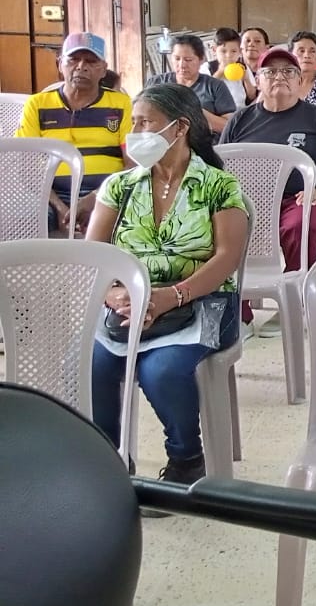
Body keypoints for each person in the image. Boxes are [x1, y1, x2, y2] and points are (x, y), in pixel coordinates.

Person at [86, 83, 248, 485]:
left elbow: (227, 258)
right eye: (134, 122)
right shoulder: (121, 186)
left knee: (161, 371)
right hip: (130, 303)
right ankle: (108, 460)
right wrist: (116, 294)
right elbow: (94, 255)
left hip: (204, 299)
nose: (135, 132)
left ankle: (186, 458)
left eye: (146, 122)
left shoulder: (218, 186)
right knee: (94, 362)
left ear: (180, 128)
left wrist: (170, 296)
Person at [219, 46, 316, 277]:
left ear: (299, 81)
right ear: (258, 82)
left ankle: (298, 287)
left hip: (298, 200)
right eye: (270, 72)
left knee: (303, 224)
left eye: (288, 71)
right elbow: (219, 167)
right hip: (247, 201)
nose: (279, 77)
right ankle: (234, 294)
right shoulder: (240, 120)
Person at [16, 32, 132, 234]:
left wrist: (96, 197)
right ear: (60, 65)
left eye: (91, 61)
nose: (81, 67)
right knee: (25, 225)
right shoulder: (37, 104)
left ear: (104, 69)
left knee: (128, 221)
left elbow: (133, 164)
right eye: (73, 59)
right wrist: (60, 208)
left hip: (107, 193)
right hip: (50, 196)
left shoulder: (121, 104)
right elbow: (26, 168)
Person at [148, 33, 237, 137]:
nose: (182, 65)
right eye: (177, 59)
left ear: (201, 59)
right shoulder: (156, 83)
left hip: (205, 142)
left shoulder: (215, 86)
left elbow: (229, 127)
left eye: (188, 60)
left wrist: (194, 111)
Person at [208, 27, 257, 106]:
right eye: (223, 51)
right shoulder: (208, 67)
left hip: (241, 110)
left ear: (240, 52)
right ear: (214, 50)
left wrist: (246, 79)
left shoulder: (243, 67)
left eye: (234, 51)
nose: (228, 55)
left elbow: (252, 96)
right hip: (218, 111)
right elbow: (205, 93)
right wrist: (219, 73)